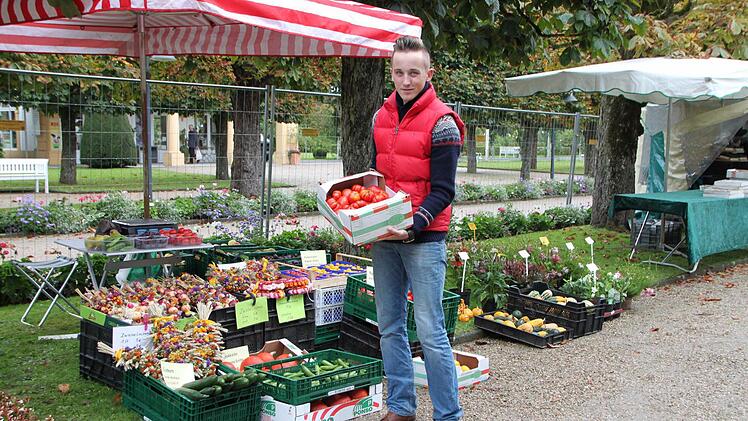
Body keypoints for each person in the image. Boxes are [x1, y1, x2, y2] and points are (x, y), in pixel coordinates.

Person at [370, 36, 465, 421]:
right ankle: (401, 407)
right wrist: (362, 217)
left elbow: (444, 191)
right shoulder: (381, 116)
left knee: (431, 334)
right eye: (398, 72)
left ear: (429, 73)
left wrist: (411, 228)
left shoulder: (442, 122)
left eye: (414, 72)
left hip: (423, 239)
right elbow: (377, 178)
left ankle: (448, 415)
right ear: (390, 72)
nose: (406, 80)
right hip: (384, 237)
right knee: (390, 327)